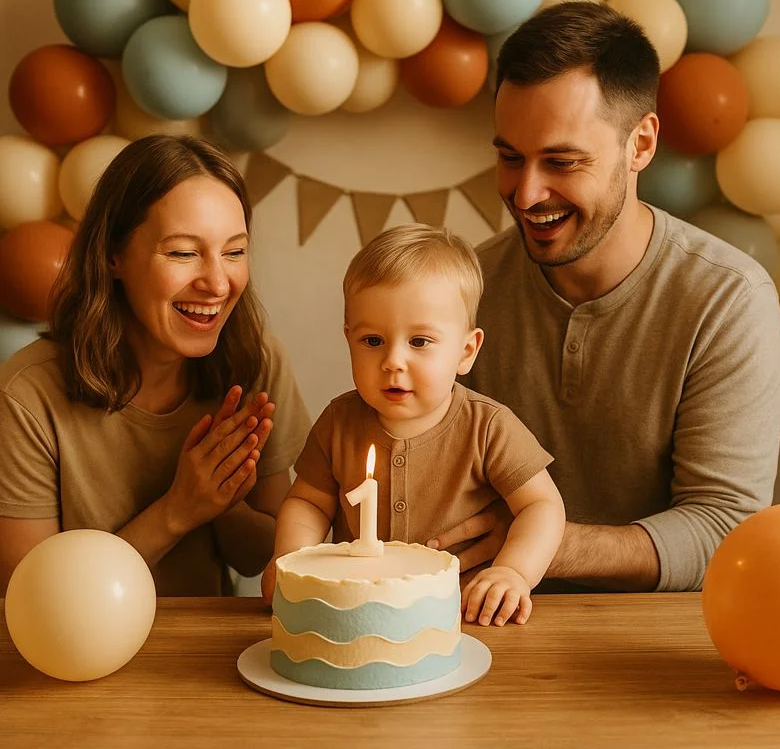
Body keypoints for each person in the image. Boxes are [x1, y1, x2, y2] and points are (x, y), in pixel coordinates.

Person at [429, 1, 780, 593]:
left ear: (640, 144)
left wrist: (544, 543)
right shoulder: (464, 286)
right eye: (510, 158)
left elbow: (727, 528)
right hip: (479, 628)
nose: (526, 193)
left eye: (562, 162)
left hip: (655, 649)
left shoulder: (729, 299)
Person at [0, 135, 310, 596]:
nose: (218, 283)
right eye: (183, 252)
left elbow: (257, 558)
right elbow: (31, 602)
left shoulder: (256, 358)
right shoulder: (27, 396)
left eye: (234, 251)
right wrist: (177, 510)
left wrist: (222, 502)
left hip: (202, 652)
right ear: (113, 255)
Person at [262, 224, 565, 626]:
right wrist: (292, 560)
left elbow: (542, 505)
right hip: (358, 617)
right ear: (348, 339)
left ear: (466, 351)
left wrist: (513, 571)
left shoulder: (489, 427)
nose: (393, 361)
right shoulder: (338, 422)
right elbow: (308, 502)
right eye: (372, 341)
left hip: (463, 615)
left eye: (419, 342)